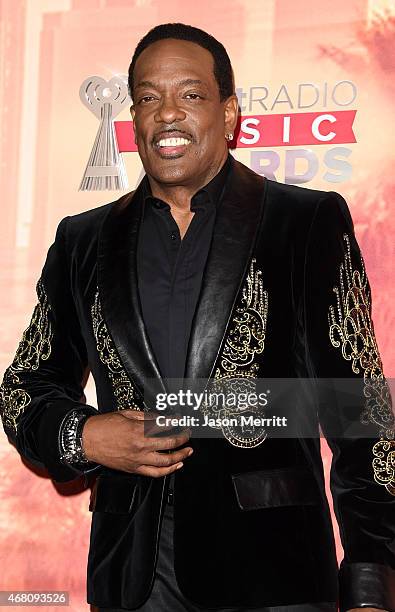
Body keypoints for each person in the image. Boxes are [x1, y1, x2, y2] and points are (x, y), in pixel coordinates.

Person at [0, 22, 394, 612]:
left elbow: (361, 407)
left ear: (229, 112)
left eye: (190, 94)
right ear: (131, 115)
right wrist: (83, 435)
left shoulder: (305, 221)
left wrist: (370, 581)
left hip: (272, 575)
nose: (167, 114)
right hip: (132, 575)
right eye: (148, 97)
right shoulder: (82, 240)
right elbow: (24, 388)